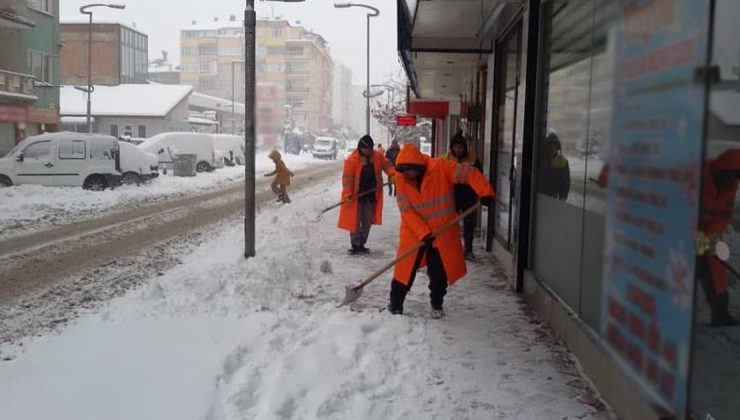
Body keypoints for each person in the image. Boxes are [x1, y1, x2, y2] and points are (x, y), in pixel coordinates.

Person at [389, 144, 494, 318]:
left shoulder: (440, 168)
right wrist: (423, 232)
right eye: (404, 171)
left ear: (418, 167)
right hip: (413, 231)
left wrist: (485, 192)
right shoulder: (402, 178)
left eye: (410, 171)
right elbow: (406, 210)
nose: (407, 175)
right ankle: (395, 304)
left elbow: (469, 173)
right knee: (404, 269)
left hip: (442, 231)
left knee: (439, 272)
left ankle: (437, 303)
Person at [697, 149, 740, 326]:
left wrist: (710, 241)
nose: (734, 180)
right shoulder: (699, 174)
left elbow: (722, 216)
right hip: (683, 231)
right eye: (732, 175)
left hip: (708, 232)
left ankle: (720, 314)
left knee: (715, 268)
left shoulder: (730, 185)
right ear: (721, 170)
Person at [338, 135, 395, 255]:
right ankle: (355, 244)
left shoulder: (377, 156)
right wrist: (348, 194)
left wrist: (393, 174)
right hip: (356, 196)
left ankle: (362, 243)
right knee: (355, 220)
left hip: (371, 194)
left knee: (367, 220)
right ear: (360, 147)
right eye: (365, 149)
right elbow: (347, 180)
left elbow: (388, 165)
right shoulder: (352, 160)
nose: (368, 151)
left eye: (369, 149)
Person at [440, 132, 484, 260]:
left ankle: (468, 250)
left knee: (469, 225)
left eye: (460, 147)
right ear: (451, 147)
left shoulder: (472, 159)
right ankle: (449, 249)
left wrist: (482, 193)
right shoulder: (445, 159)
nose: (458, 150)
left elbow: (479, 178)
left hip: (469, 196)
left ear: (464, 147)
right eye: (455, 147)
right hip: (451, 196)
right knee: (449, 224)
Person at [538, 132, 570, 200]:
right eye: (549, 147)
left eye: (553, 147)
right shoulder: (540, 161)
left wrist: (563, 197)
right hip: (539, 197)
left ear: (557, 149)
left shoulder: (562, 162)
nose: (551, 150)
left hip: (553, 198)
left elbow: (565, 183)